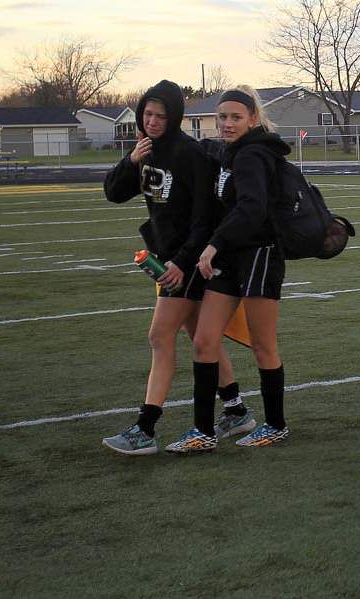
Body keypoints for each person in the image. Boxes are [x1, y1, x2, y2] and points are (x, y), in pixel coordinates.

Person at [101, 80, 251, 456]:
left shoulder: (188, 154)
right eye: (147, 114)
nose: (152, 121)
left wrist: (182, 262)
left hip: (188, 260)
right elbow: (113, 192)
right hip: (167, 257)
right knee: (200, 336)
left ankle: (146, 427)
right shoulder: (146, 151)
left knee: (159, 335)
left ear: (174, 118)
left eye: (160, 116)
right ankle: (235, 409)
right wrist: (131, 160)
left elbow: (203, 218)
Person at [164, 86, 291, 454]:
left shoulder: (253, 155)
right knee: (204, 341)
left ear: (252, 119)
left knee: (263, 345)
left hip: (260, 257)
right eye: (222, 117)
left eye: (236, 117)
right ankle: (202, 431)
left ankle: (276, 424)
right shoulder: (229, 153)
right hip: (232, 260)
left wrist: (214, 244)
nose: (227, 124)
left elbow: (252, 210)